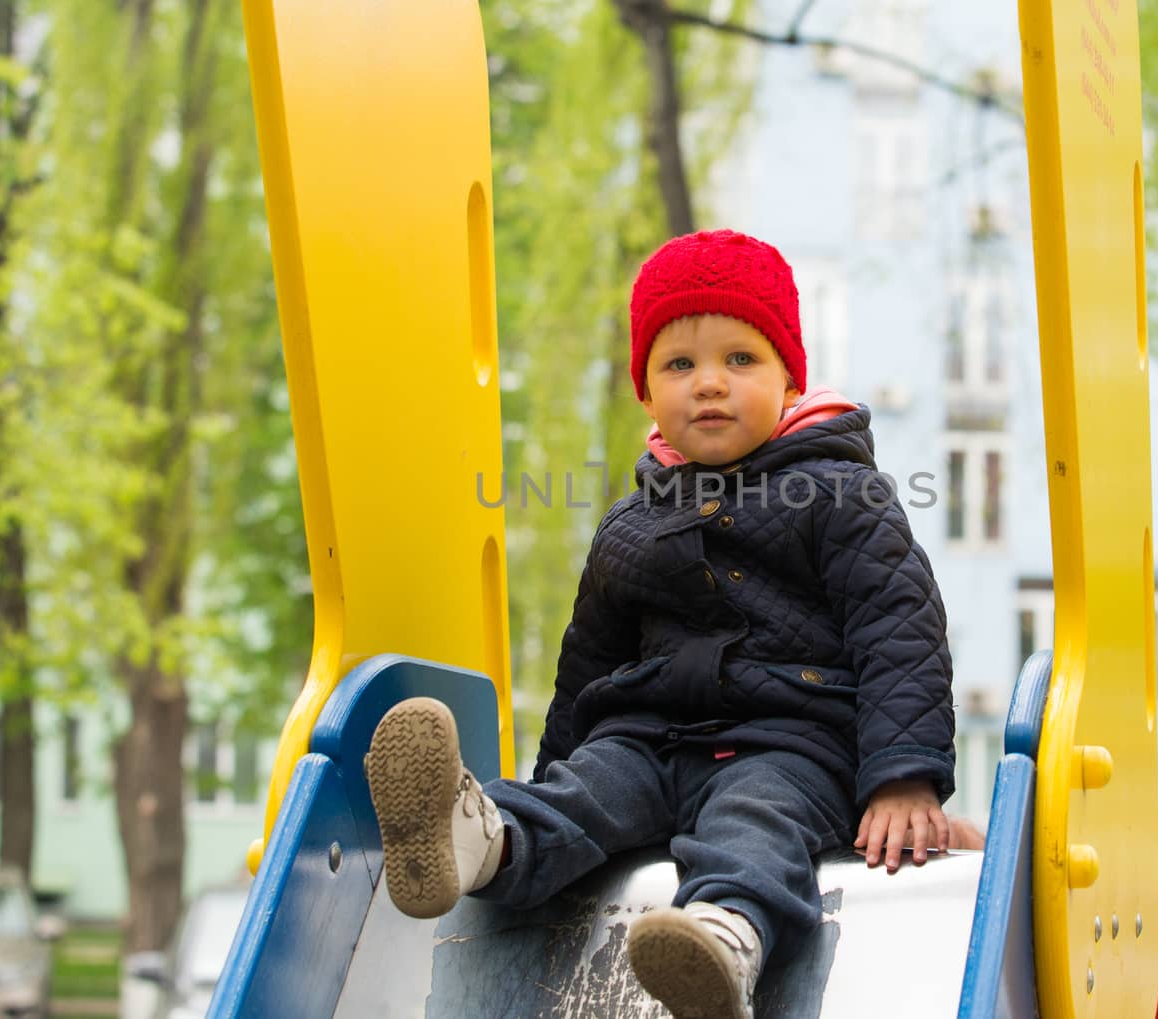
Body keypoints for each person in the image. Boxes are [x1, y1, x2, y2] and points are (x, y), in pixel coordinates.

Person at [364, 229, 956, 1019]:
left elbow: (899, 631)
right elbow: (588, 665)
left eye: (740, 360)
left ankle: (722, 939)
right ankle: (480, 837)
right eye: (680, 364)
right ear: (646, 392)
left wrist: (904, 775)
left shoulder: (843, 495)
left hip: (792, 744)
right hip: (649, 741)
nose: (709, 383)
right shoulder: (631, 524)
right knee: (585, 792)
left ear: (789, 378)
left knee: (756, 817)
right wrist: (561, 767)